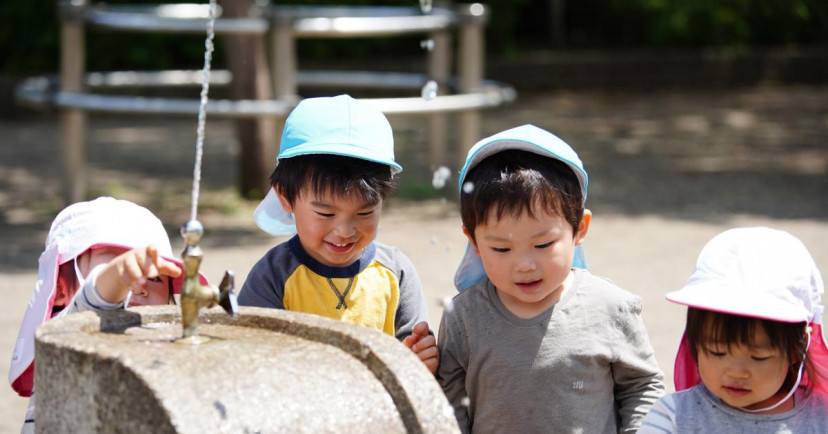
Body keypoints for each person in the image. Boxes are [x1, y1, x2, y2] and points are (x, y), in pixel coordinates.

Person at [437, 124, 665, 433]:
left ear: (579, 229)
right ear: (473, 241)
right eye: (501, 248)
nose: (525, 265)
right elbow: (448, 405)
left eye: (543, 245)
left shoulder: (609, 307)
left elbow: (642, 385)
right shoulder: (463, 318)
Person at [238, 94, 437, 373]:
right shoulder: (273, 277)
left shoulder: (396, 272)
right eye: (326, 214)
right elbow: (251, 359)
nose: (344, 231)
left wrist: (420, 359)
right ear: (286, 198)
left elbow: (411, 355)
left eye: (365, 213)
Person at [9, 197, 187, 433]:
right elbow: (96, 300)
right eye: (113, 265)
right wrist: (118, 275)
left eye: (154, 277)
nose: (138, 284)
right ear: (61, 288)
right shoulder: (66, 334)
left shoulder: (165, 346)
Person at [639, 227, 828, 433]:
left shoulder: (821, 418)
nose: (736, 372)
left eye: (758, 357)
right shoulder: (673, 415)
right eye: (717, 352)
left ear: (796, 349)